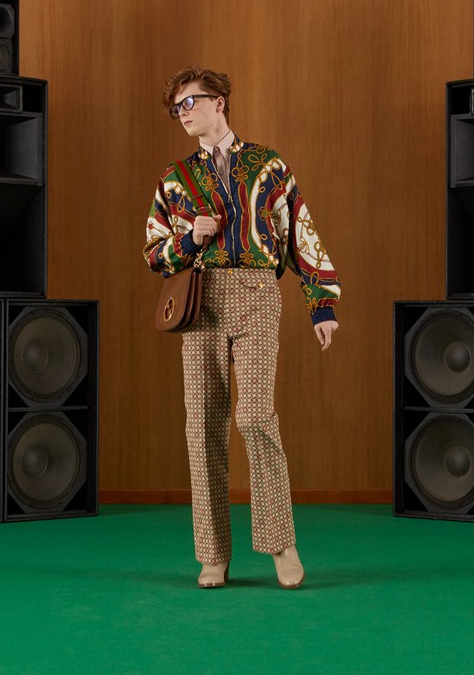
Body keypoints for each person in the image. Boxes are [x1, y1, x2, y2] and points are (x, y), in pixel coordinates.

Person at [143, 66, 340, 589]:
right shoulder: (174, 179)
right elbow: (154, 254)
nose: (183, 113)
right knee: (203, 427)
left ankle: (281, 543)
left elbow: (300, 230)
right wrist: (190, 239)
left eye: (190, 102)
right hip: (200, 302)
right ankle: (212, 554)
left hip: (257, 295)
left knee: (254, 417)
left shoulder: (267, 165)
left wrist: (321, 304)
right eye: (177, 107)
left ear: (220, 101)